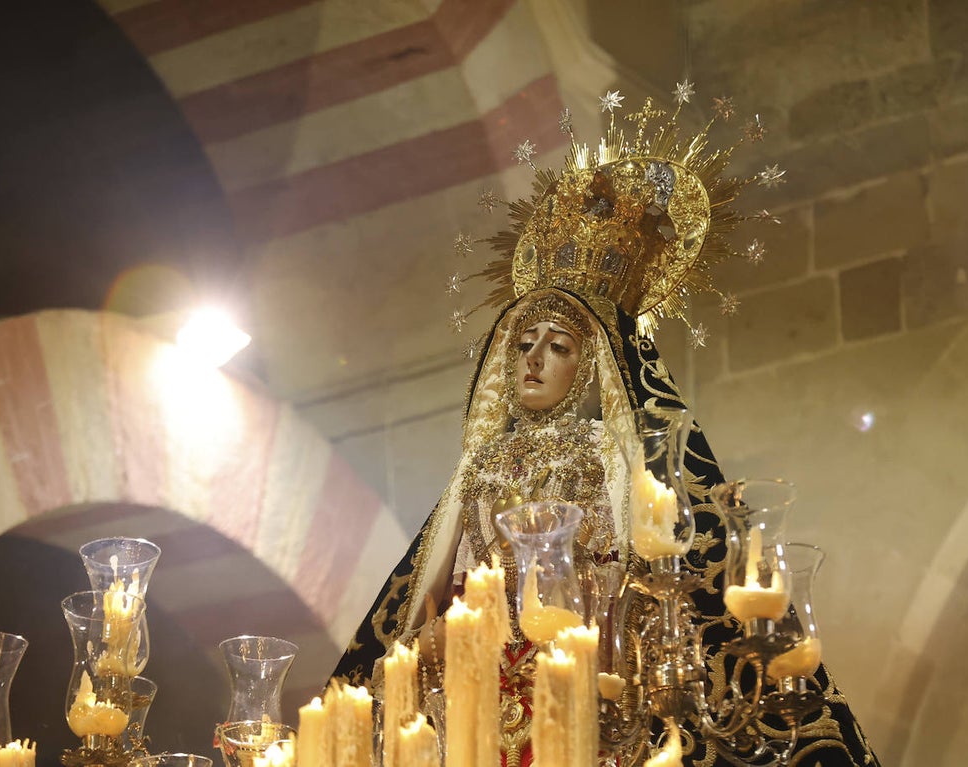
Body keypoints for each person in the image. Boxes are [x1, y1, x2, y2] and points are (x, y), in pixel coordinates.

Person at [329, 91, 880, 766]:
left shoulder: (613, 456)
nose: (532, 357)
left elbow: (646, 579)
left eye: (557, 345)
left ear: (591, 367)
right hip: (474, 697)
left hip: (587, 682)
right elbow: (427, 597)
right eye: (524, 341)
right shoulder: (477, 467)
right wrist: (420, 650)